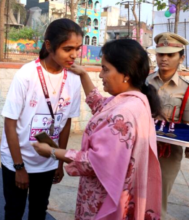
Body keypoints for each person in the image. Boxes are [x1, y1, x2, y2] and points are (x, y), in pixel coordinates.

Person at [33, 39, 163, 219]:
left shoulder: (125, 111)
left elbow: (94, 162)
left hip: (103, 197)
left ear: (125, 74)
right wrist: (84, 75)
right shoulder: (134, 100)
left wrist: (53, 152)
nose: (101, 75)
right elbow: (101, 107)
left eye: (105, 69)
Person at [0, 18, 83, 220]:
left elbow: (66, 123)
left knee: (39, 210)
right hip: (18, 159)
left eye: (78, 48)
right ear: (48, 45)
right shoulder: (26, 75)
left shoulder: (73, 78)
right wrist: (19, 167)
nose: (74, 55)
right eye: (67, 48)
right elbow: (10, 124)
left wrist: (60, 162)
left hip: (47, 160)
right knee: (14, 210)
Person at [146, 32, 189, 218]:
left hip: (168, 153)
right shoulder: (144, 82)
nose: (164, 59)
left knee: (157, 200)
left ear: (181, 57)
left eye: (171, 55)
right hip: (141, 148)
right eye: (161, 54)